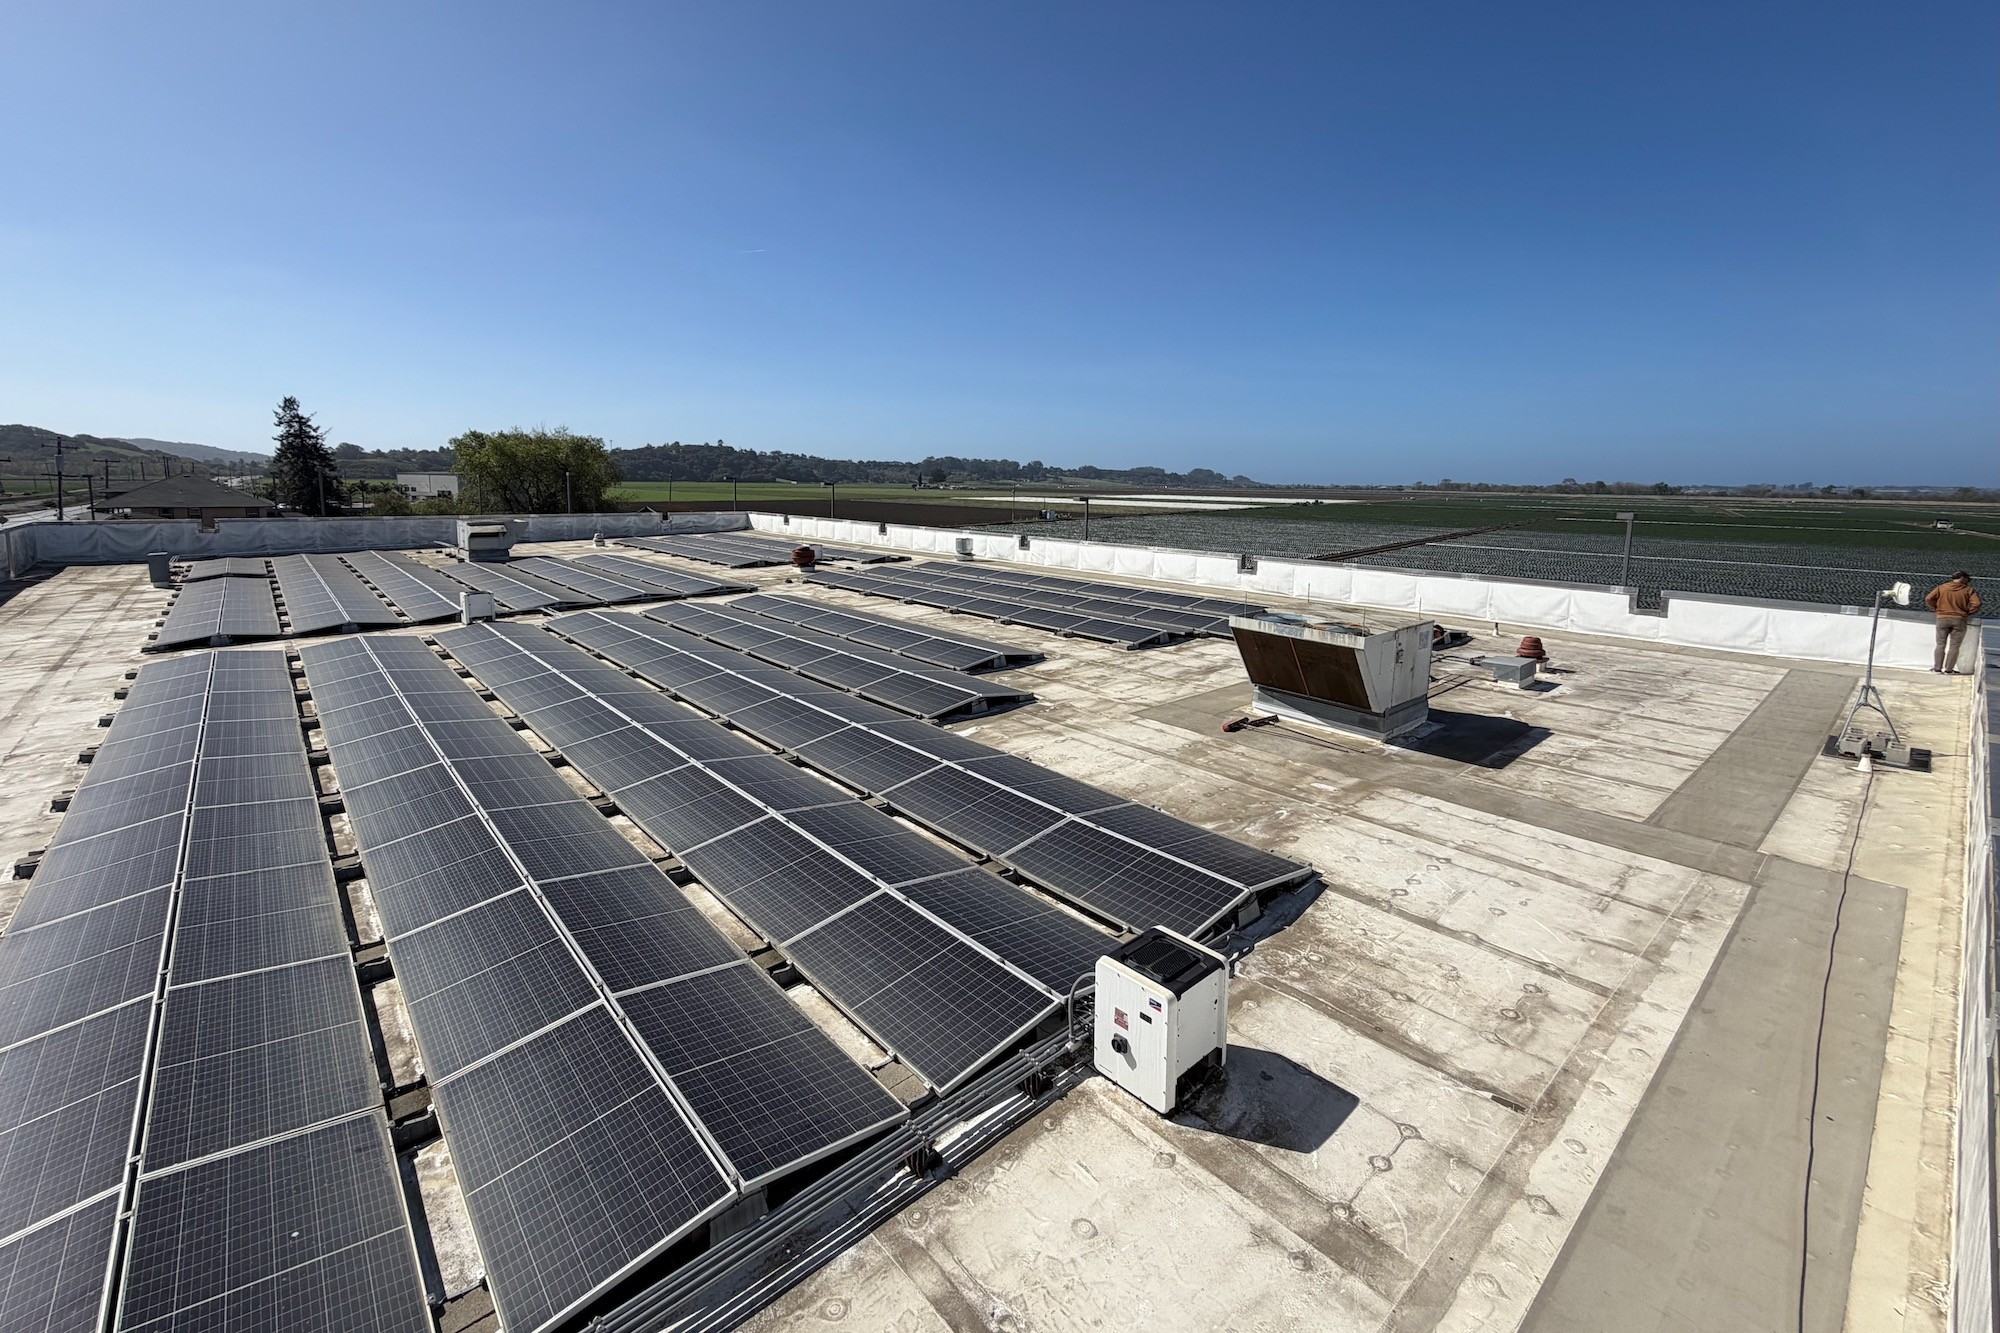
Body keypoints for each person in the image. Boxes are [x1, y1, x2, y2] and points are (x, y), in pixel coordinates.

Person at [1925, 571, 1982, 673]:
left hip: (1942, 618)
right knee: (1954, 646)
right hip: (1959, 619)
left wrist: (1935, 609)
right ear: (1963, 578)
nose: (1968, 583)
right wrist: (1968, 613)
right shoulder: (1968, 590)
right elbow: (1977, 604)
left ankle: (1937, 668)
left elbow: (1928, 598)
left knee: (1940, 644)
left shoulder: (1942, 587)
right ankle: (1949, 670)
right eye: (1968, 580)